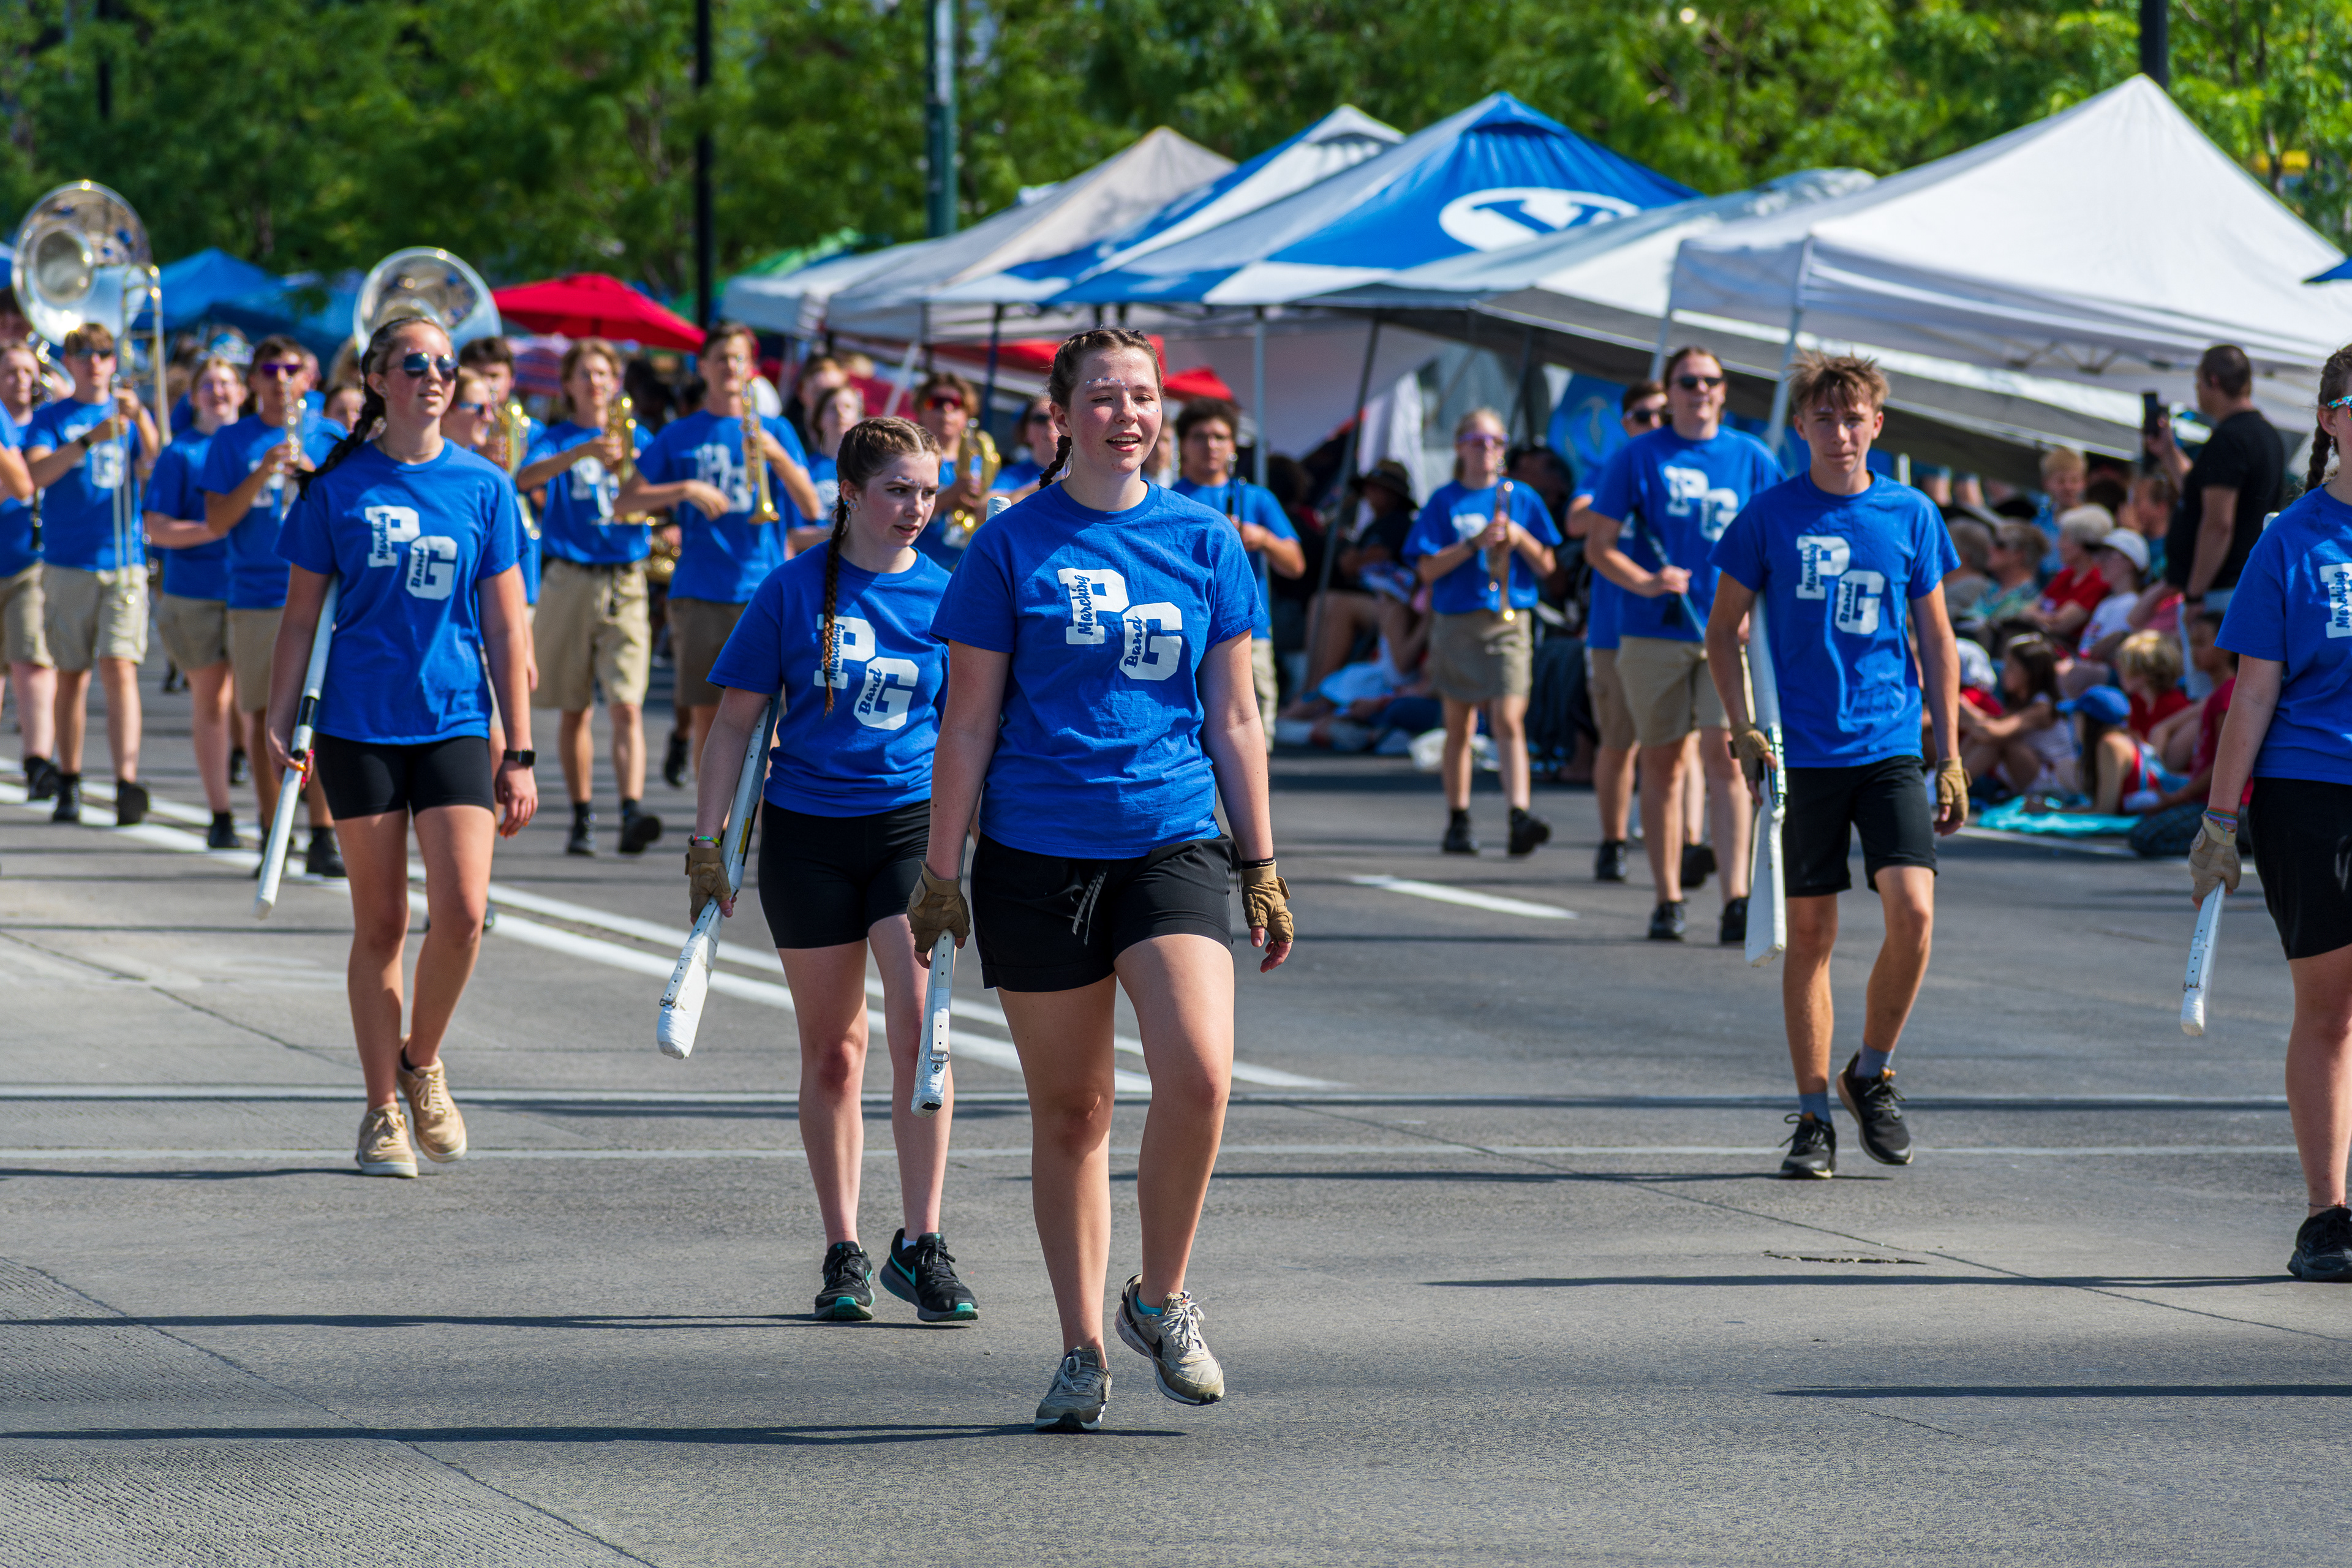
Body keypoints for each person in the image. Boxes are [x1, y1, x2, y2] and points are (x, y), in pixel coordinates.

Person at [914, 326, 1293, 1431]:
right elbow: (969, 721)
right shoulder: (1008, 548)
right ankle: (1083, 1347)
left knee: (1202, 1075)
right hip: (1036, 853)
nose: (1129, 413)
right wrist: (943, 872)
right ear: (1062, 414)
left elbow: (1234, 716)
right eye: (1105, 396)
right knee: (1073, 1110)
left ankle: (1160, 1298)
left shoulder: (1206, 540)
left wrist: (1261, 860)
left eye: (1145, 396)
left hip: (1170, 838)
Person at [692, 415, 979, 1323]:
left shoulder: (951, 596)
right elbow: (735, 723)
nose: (916, 509)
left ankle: (922, 1242)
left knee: (921, 1036)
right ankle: (844, 1248)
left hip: (908, 835)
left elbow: (978, 733)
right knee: (833, 1052)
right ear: (850, 493)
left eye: (928, 493)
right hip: (808, 837)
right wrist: (711, 844)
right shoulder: (788, 590)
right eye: (898, 490)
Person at [271, 315, 536, 1178]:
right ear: (380, 379)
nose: (433, 375)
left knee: (461, 914)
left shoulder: (485, 487)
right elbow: (303, 613)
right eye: (413, 363)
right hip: (358, 722)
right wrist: (280, 716)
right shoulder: (336, 485)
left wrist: (521, 747)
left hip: (457, 715)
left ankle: (422, 1062)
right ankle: (381, 1108)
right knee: (382, 920)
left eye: (444, 364)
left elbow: (504, 623)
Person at [1703, 352, 1965, 1180]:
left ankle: (1872, 1071)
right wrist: (1741, 727)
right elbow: (1722, 631)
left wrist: (1950, 752)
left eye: (1854, 419)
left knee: (1914, 912)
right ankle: (1813, 1116)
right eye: (1825, 418)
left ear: (1876, 426)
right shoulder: (1768, 516)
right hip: (1801, 751)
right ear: (1802, 426)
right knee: (1811, 935)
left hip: (1887, 743)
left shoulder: (1911, 513)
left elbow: (1937, 639)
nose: (1841, 433)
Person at [2193, 350, 2352, 1280]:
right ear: (2331, 419)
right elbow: (2253, 694)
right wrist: (2219, 822)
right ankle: (2326, 1214)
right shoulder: (2291, 541)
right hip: (2308, 794)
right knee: (2330, 1010)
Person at [1583, 345, 1775, 941]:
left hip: (1729, 631)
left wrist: (1757, 611)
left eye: (1710, 381)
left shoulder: (1751, 457)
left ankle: (1736, 899)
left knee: (1727, 758)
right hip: (1653, 630)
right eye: (1688, 381)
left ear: (1724, 390)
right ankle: (1668, 897)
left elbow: (1779, 542)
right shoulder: (1638, 456)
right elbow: (1599, 545)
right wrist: (1646, 580)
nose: (1700, 390)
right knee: (1663, 763)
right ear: (1670, 392)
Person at [617, 323, 820, 778]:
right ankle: (714, 836)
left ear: (750, 368)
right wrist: (685, 489)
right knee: (710, 717)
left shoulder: (776, 430)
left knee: (768, 723)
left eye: (738, 358)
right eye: (721, 358)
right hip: (700, 590)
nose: (730, 366)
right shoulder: (680, 434)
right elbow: (625, 502)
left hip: (764, 591)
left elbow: (810, 508)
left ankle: (764, 832)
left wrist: (779, 457)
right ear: (703, 367)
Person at [198, 334, 345, 878]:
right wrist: (262, 472)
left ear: (308, 377)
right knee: (266, 717)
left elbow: (350, 509)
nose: (281, 378)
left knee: (323, 718)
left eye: (292, 368)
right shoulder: (232, 441)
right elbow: (216, 522)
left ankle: (323, 832)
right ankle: (269, 827)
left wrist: (311, 474)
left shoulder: (330, 436)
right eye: (270, 368)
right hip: (258, 595)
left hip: (322, 594)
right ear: (255, 379)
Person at [515, 339, 663, 858]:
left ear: (616, 383)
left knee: (627, 704)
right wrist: (581, 453)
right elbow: (524, 478)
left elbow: (661, 493)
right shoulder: (553, 438)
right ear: (570, 384)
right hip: (570, 578)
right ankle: (582, 816)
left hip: (625, 577)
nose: (595, 382)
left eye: (604, 373)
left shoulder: (640, 438)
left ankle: (630, 810)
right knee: (575, 708)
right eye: (586, 374)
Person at [1402, 409, 1559, 857]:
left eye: (1494, 441)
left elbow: (1548, 565)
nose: (1486, 449)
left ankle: (1519, 814)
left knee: (1509, 717)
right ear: (1460, 447)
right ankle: (1459, 815)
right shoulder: (1444, 501)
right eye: (1476, 440)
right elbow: (1427, 569)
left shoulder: (1520, 498)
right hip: (1458, 619)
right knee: (1460, 724)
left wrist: (1518, 536)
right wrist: (1473, 544)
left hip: (1508, 616)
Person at [21, 324, 159, 826]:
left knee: (120, 667)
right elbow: (35, 475)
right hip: (67, 563)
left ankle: (127, 781)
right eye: (84, 354)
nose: (95, 363)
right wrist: (87, 442)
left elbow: (157, 465)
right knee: (71, 675)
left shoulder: (126, 412)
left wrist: (140, 419)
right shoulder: (52, 418)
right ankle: (72, 779)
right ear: (71, 361)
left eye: (103, 354)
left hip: (122, 560)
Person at [141, 355, 248, 846]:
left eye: (227, 383)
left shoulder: (256, 447)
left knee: (256, 705)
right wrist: (214, 526)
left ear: (243, 393)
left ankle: (278, 812)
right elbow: (155, 526)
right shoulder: (180, 453)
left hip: (254, 594)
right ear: (195, 396)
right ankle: (220, 813)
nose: (219, 392)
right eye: (209, 384)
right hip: (195, 594)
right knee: (212, 700)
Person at [1569, 380, 1667, 881]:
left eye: (1662, 416)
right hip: (1614, 627)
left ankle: (1684, 840)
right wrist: (1621, 485)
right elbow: (1575, 521)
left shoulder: (1676, 473)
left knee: (1679, 747)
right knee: (1619, 740)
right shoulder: (1609, 469)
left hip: (1670, 629)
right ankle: (1612, 839)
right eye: (1644, 417)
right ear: (1625, 423)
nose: (1655, 425)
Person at [2155, 345, 2287, 699]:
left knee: (2212, 699)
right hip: (2242, 584)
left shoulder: (2230, 439)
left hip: (2219, 592)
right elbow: (2205, 498)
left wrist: (2195, 594)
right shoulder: (2265, 434)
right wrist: (2168, 452)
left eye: (2198, 383)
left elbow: (2219, 524)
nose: (2197, 392)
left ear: (2213, 381)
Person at [1170, 396, 1303, 744]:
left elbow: (1295, 565)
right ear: (1182, 444)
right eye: (1199, 436)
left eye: (1219, 436)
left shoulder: (1257, 499)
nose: (1210, 445)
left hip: (1249, 634)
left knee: (1254, 736)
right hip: (1184, 635)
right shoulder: (1165, 498)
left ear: (1233, 445)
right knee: (1190, 739)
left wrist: (1264, 539)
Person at [1305, 459, 1420, 690]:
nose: (1369, 493)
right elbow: (1350, 563)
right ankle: (1311, 685)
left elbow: (1372, 559)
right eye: (1368, 487)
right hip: (1372, 600)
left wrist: (1357, 559)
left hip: (1395, 608)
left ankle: (1320, 688)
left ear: (1392, 493)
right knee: (1320, 602)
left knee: (1338, 606)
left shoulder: (1399, 523)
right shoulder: (1373, 526)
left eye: (1376, 487)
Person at [0, 341, 55, 796]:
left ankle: (38, 760)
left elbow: (23, 483)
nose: (21, 380)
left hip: (30, 560)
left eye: (27, 372)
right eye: (11, 372)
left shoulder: (47, 421)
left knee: (31, 658)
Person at [1959, 635, 2072, 799]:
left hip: (2055, 784)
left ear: (2030, 672)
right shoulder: (2022, 702)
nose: (2005, 671)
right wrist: (1967, 713)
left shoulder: (2043, 707)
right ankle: (1943, 781)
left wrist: (1964, 709)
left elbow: (1993, 732)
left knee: (1999, 741)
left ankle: (1947, 788)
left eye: (2012, 666)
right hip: (2033, 774)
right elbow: (1991, 724)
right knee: (1980, 735)